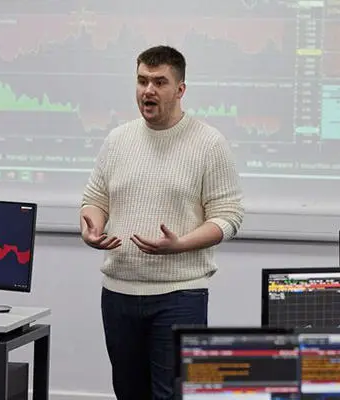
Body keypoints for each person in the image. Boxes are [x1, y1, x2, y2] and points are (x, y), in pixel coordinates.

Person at [80, 45, 244, 399]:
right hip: (118, 293)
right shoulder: (117, 140)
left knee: (171, 395)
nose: (148, 90)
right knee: (128, 392)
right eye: (142, 81)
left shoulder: (209, 143)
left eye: (159, 82)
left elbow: (228, 217)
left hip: (179, 295)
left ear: (180, 89)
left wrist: (180, 244)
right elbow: (96, 200)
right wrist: (91, 227)